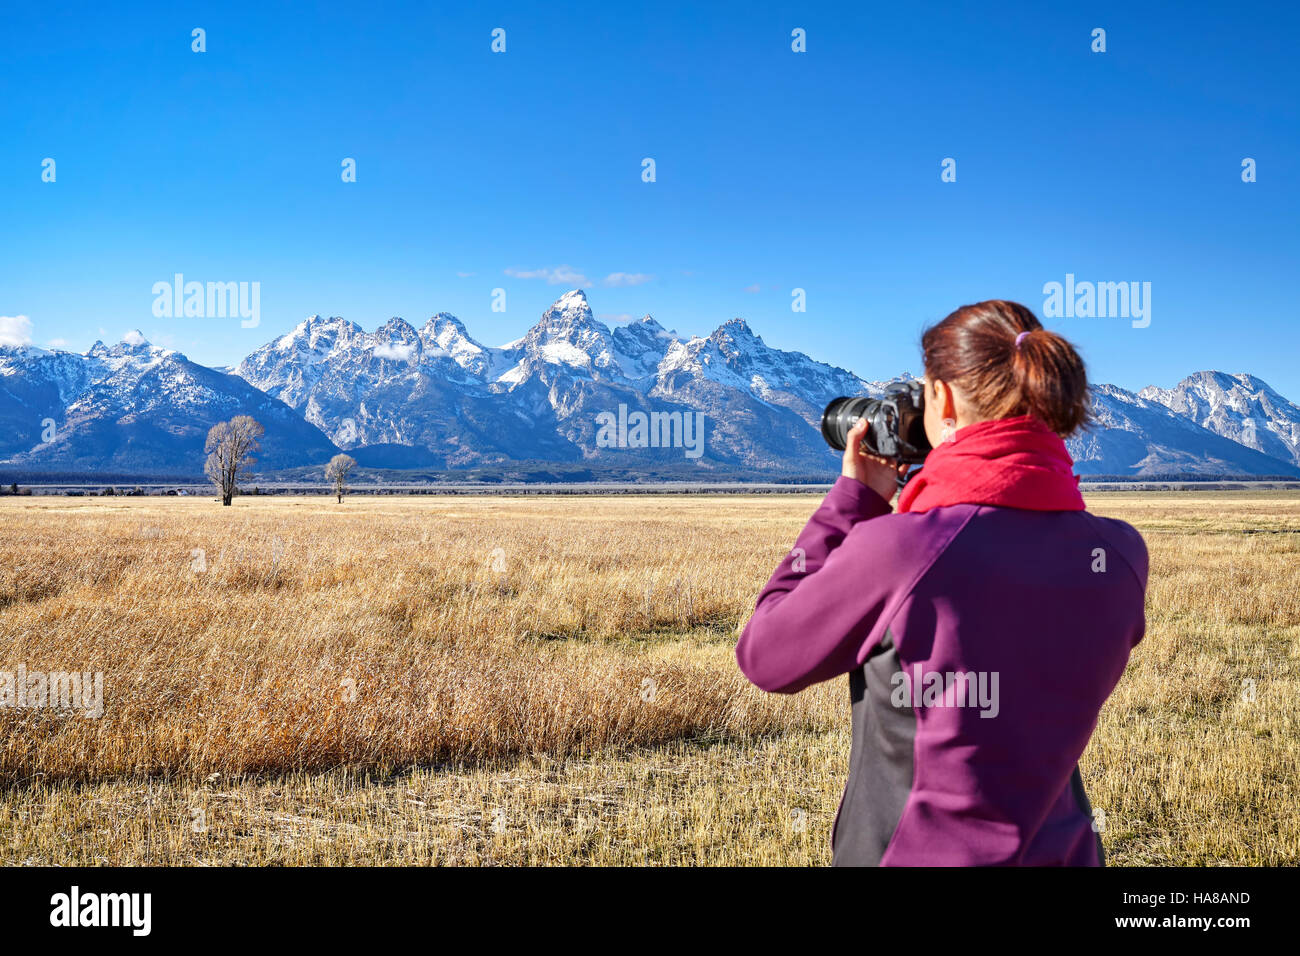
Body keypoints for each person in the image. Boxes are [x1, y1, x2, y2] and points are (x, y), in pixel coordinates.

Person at [735, 300, 1148, 866]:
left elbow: (767, 656)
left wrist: (854, 501)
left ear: (944, 398)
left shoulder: (902, 550)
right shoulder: (1119, 554)